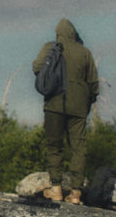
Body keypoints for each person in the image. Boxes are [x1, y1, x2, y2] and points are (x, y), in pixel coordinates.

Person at [32, 19, 99, 204]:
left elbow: (37, 67)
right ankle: (76, 192)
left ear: (58, 33)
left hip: (54, 104)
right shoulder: (84, 52)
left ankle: (56, 189)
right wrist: (88, 102)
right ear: (73, 33)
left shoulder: (50, 47)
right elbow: (93, 84)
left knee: (54, 146)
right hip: (79, 107)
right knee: (78, 148)